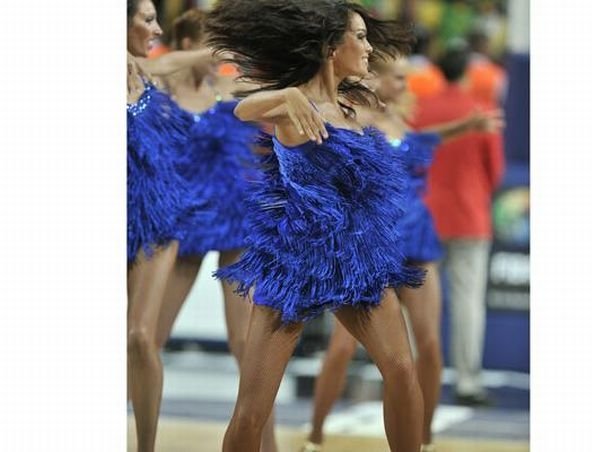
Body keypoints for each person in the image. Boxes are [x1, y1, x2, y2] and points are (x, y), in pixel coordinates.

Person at [205, 1, 425, 450]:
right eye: (359, 37)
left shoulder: (353, 106)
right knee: (251, 412)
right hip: (293, 262)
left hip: (356, 259)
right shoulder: (294, 105)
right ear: (330, 47)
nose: (367, 47)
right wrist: (285, 95)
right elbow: (241, 109)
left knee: (402, 370)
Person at [302, 57, 502, 452]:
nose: (405, 84)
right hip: (375, 245)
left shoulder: (402, 122)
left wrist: (466, 127)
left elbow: (425, 140)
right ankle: (316, 434)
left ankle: (422, 438)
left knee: (428, 344)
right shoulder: (354, 120)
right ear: (372, 80)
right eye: (396, 78)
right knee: (341, 348)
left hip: (418, 241)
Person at [151, 9, 280, 452]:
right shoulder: (163, 87)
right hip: (184, 223)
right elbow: (157, 64)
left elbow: (273, 90)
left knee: (247, 345)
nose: (220, 54)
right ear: (187, 45)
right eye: (208, 42)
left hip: (236, 220)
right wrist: (209, 50)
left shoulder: (225, 86)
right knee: (149, 338)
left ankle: (270, 445)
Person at [126, 1, 213, 451]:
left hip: (158, 220)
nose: (156, 27)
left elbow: (186, 59)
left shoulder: (149, 75)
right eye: (146, 19)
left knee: (142, 336)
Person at [412, 45, 505, 407]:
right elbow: (495, 172)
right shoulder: (481, 112)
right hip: (469, 218)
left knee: (419, 304)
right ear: (467, 72)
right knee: (468, 303)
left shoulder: (420, 110)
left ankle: (415, 378)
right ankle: (467, 383)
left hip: (426, 219)